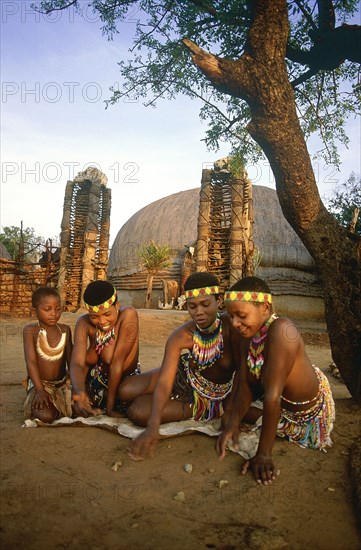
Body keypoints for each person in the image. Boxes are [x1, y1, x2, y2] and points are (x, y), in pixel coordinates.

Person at [216, 276, 335, 486]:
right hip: (274, 398)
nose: (234, 323)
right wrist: (233, 423)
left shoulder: (282, 330)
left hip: (306, 416)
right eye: (231, 315)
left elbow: (272, 398)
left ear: (264, 307)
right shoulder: (248, 333)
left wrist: (263, 454)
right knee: (228, 415)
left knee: (236, 412)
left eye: (241, 315)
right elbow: (244, 384)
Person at [126, 272, 238, 460]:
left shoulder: (232, 326)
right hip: (182, 376)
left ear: (219, 301)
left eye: (205, 304)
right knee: (125, 390)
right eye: (192, 306)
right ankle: (165, 400)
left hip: (205, 399)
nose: (199, 312)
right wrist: (154, 426)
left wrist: (233, 413)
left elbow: (244, 373)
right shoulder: (182, 336)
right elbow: (165, 381)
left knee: (137, 411)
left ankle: (169, 402)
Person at [70, 280, 140, 418]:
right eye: (94, 317)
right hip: (96, 382)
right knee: (78, 406)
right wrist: (79, 392)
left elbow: (117, 363)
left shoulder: (128, 315)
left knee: (130, 398)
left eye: (107, 314)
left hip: (124, 381)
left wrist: (110, 408)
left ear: (117, 306)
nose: (101, 322)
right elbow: (77, 363)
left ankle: (104, 403)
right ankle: (83, 400)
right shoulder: (83, 323)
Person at [23, 287, 73, 423]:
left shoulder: (65, 330)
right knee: (45, 416)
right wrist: (39, 390)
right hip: (41, 383)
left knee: (81, 408)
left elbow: (71, 361)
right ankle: (45, 399)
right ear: (35, 311)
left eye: (58, 309)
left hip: (63, 383)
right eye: (47, 309)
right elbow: (31, 362)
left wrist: (77, 386)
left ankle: (59, 403)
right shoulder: (30, 331)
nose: (54, 314)